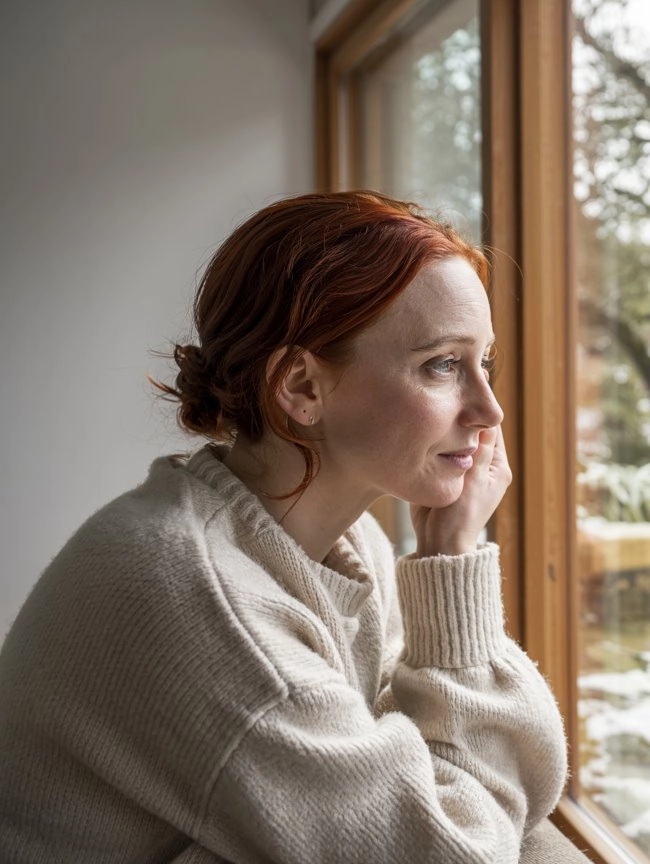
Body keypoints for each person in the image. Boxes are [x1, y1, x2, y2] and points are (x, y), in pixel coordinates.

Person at [0, 191, 589, 863]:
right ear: (301, 387)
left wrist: (449, 553)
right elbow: (459, 850)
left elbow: (500, 783)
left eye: (483, 363)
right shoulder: (201, 597)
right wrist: (452, 560)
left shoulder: (345, 543)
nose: (490, 411)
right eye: (443, 365)